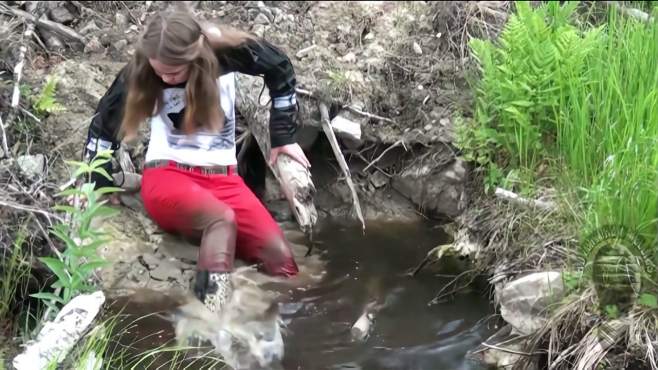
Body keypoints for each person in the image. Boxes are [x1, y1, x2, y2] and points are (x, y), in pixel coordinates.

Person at [82, 9, 311, 314]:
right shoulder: (141, 69)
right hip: (168, 175)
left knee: (281, 261)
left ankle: (275, 323)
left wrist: (283, 137)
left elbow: (280, 68)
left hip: (225, 180)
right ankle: (210, 317)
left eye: (174, 72)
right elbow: (103, 124)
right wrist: (99, 183)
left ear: (197, 54)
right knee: (220, 220)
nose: (165, 78)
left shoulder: (228, 54)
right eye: (159, 71)